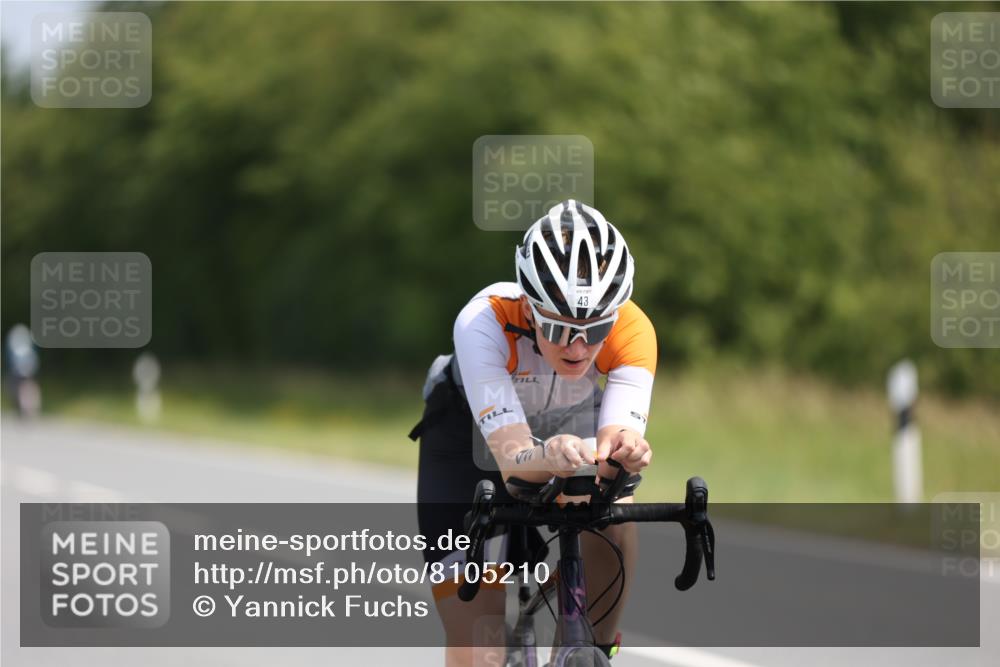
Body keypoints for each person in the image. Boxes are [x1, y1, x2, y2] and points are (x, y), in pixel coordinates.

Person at [411, 200, 656, 667]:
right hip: (467, 438)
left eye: (596, 329)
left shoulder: (632, 329)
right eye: (559, 328)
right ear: (529, 308)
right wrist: (550, 454)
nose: (578, 347)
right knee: (477, 650)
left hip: (569, 424)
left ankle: (591, 650)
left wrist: (624, 453)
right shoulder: (484, 321)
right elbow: (515, 465)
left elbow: (615, 446)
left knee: (615, 515)